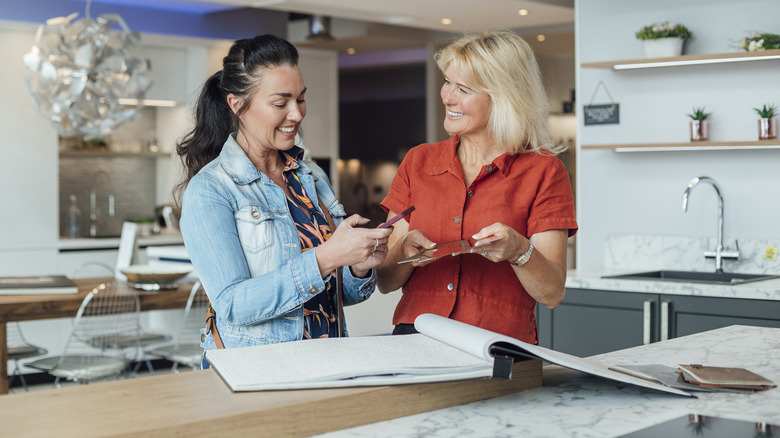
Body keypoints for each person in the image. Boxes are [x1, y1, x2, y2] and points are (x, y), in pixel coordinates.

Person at [174, 34, 392, 355]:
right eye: (280, 103)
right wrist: (325, 258)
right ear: (237, 105)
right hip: (257, 369)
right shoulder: (211, 189)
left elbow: (341, 294)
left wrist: (360, 265)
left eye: (300, 98)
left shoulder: (311, 175)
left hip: (328, 359)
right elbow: (233, 304)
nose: (297, 113)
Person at [376, 29, 578, 344]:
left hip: (497, 346)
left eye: (463, 89)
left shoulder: (544, 171)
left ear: (504, 97)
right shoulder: (418, 162)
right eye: (447, 82)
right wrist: (404, 253)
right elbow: (385, 282)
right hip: (414, 341)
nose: (447, 97)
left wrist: (518, 250)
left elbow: (551, 293)